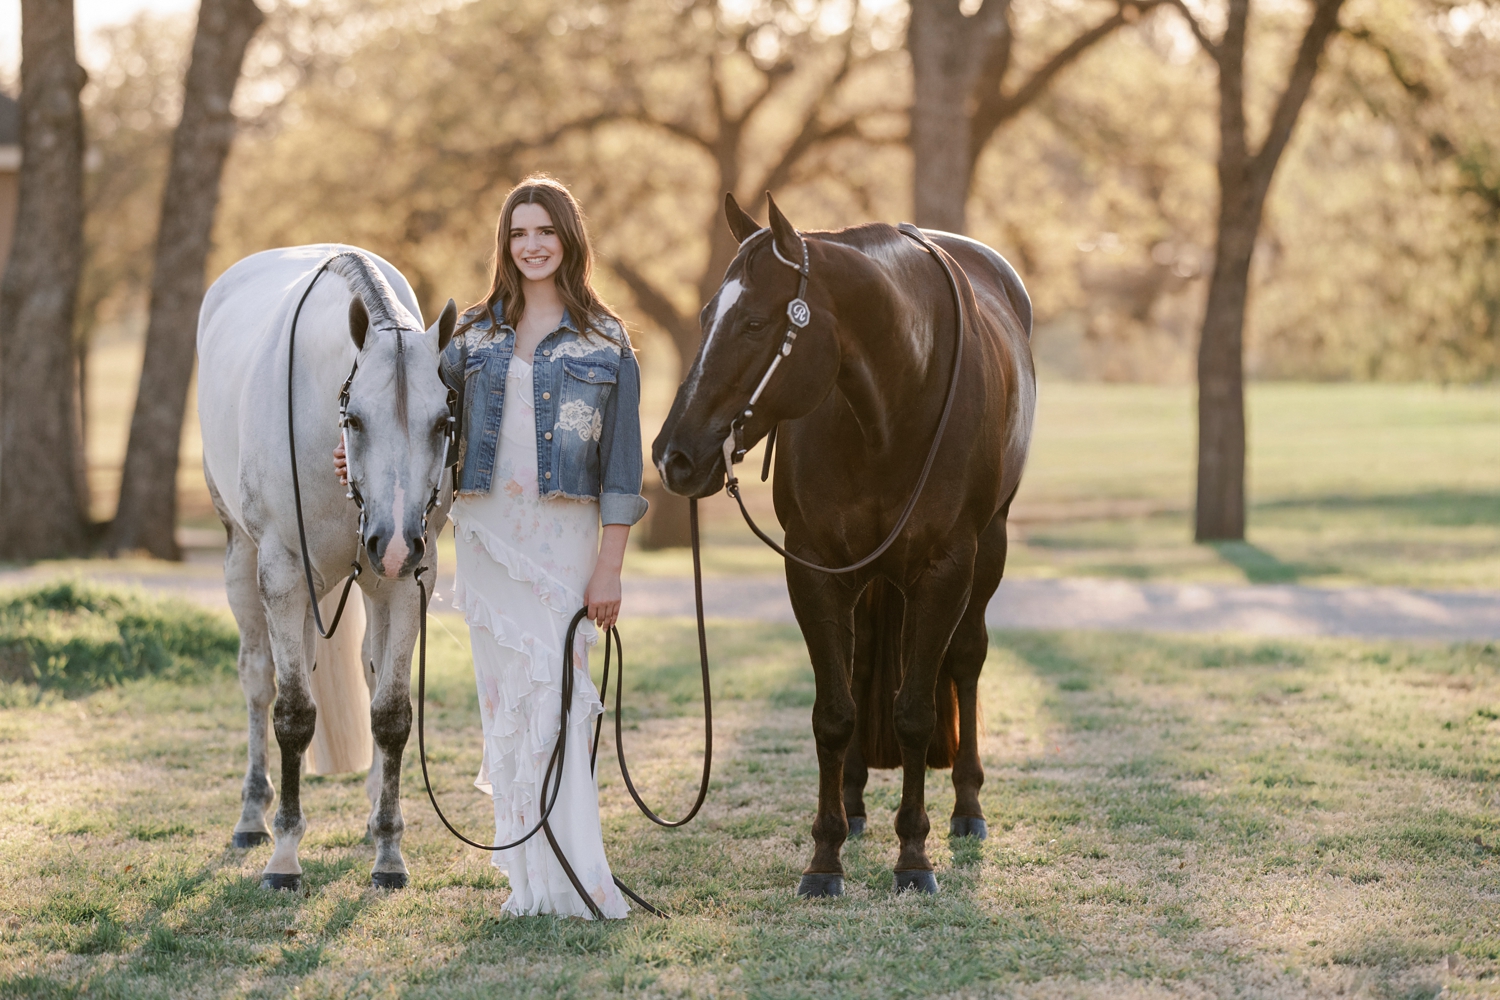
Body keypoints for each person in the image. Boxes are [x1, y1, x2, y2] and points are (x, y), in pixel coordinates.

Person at [335, 176, 646, 919]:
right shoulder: (470, 337)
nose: (532, 245)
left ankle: (579, 876)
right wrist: (361, 458)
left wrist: (609, 566)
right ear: (505, 244)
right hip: (487, 538)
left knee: (560, 702)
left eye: (545, 231)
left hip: (564, 543)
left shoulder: (608, 342)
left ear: (569, 239)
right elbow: (412, 416)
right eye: (518, 233)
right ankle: (528, 884)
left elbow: (623, 470)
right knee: (507, 706)